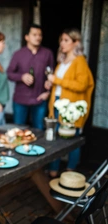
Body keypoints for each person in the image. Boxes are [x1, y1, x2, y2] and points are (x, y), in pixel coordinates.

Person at [47, 28, 94, 178]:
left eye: (66, 40)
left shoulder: (80, 61)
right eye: (61, 40)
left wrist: (57, 80)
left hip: (71, 107)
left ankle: (70, 173)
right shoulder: (62, 61)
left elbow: (82, 85)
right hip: (58, 103)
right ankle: (53, 170)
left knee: (72, 140)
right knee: (56, 138)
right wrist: (51, 84)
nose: (62, 43)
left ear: (76, 43)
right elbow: (60, 84)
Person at [7, 24, 54, 130]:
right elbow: (9, 73)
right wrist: (22, 77)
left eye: (40, 35)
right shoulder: (18, 54)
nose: (38, 37)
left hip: (39, 99)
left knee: (39, 130)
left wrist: (48, 90)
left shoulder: (47, 54)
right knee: (18, 130)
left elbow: (51, 75)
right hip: (21, 99)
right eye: (34, 34)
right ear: (27, 37)